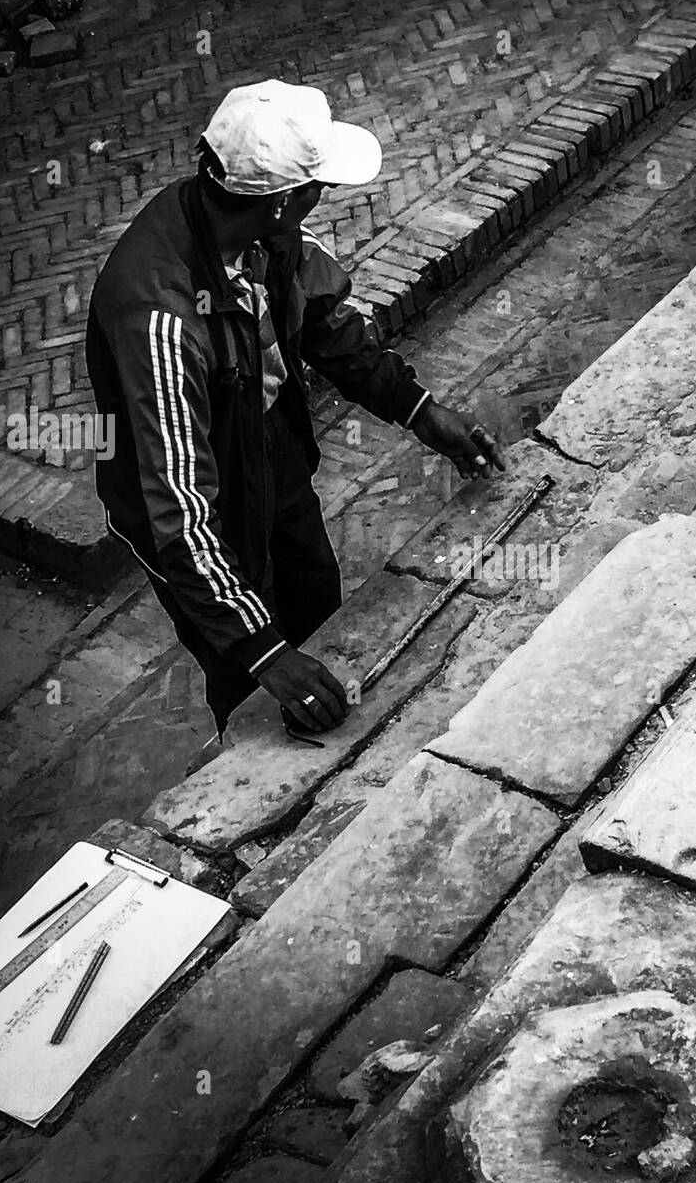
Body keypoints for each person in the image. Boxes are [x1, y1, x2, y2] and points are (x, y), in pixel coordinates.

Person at [84, 80, 505, 744]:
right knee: (245, 665)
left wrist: (418, 408)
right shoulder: (158, 318)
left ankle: (312, 696)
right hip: (195, 504)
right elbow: (180, 511)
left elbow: (327, 325)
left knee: (314, 601)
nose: (323, 198)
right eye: (317, 188)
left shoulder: (268, 238)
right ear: (280, 199)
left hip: (269, 450)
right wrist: (266, 656)